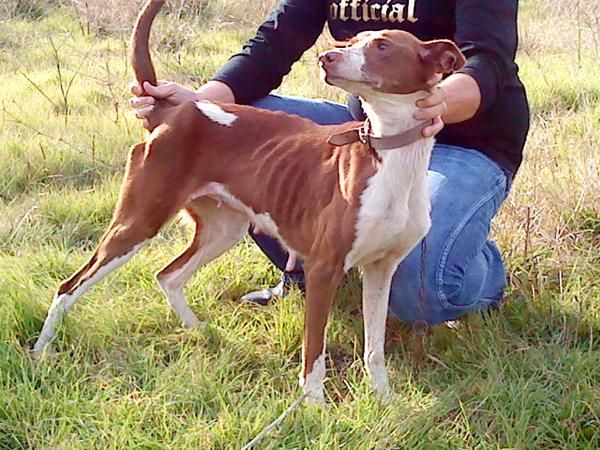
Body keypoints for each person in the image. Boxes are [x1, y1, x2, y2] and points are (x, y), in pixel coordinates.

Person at [130, 0, 529, 326]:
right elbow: (275, 41)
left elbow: (488, 61)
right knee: (236, 127)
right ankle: (312, 267)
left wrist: (437, 101)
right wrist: (200, 109)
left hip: (467, 140)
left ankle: (471, 259)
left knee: (423, 288)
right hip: (369, 130)